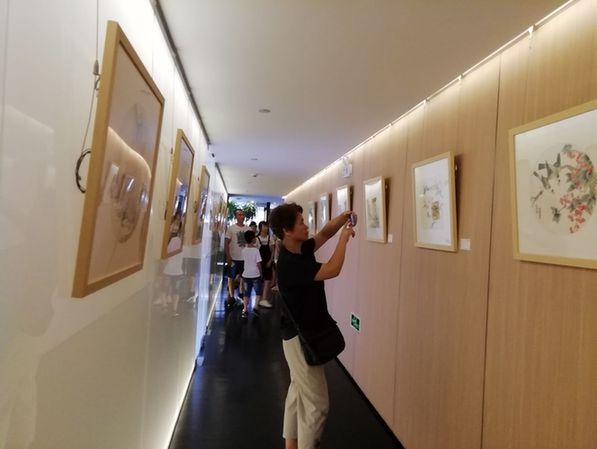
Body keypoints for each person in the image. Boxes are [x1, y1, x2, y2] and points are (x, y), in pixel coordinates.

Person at [269, 203, 355, 449]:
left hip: (296, 334)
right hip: (300, 338)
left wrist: (343, 218)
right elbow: (332, 269)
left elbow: (325, 233)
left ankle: (291, 445)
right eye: (301, 222)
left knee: (298, 393)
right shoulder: (290, 264)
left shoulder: (300, 249)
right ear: (287, 231)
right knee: (316, 405)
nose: (306, 225)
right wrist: (344, 239)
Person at [224, 209, 250, 309]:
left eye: (243, 214)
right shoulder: (231, 229)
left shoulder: (248, 229)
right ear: (236, 216)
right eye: (239, 215)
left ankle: (241, 294)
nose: (242, 216)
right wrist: (228, 256)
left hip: (244, 258)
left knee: (243, 278)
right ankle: (231, 297)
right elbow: (226, 243)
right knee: (231, 277)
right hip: (233, 258)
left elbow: (251, 243)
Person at [240, 230, 262, 319]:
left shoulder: (244, 250)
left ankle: (245, 309)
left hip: (246, 275)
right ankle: (255, 307)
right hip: (255, 274)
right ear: (253, 239)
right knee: (258, 292)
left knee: (246, 293)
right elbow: (258, 263)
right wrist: (261, 272)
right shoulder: (256, 250)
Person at [256, 220, 275, 308]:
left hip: (268, 262)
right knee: (259, 280)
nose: (266, 228)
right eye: (264, 226)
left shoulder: (270, 238)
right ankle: (259, 299)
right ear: (260, 228)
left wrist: (270, 261)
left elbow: (273, 251)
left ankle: (264, 299)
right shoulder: (257, 239)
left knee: (267, 280)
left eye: (267, 226)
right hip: (259, 262)